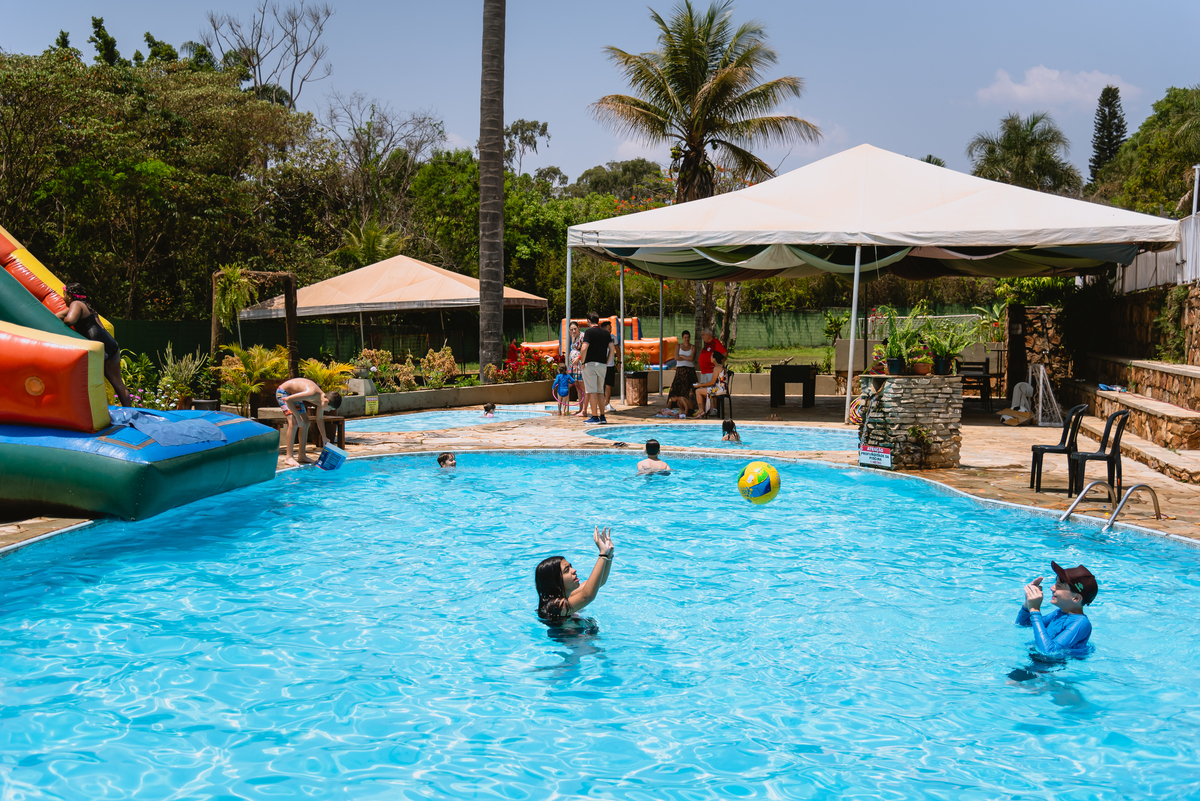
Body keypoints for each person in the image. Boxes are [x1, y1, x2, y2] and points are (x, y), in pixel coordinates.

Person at [55, 283, 133, 407]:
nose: (63, 298)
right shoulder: (83, 306)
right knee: (117, 382)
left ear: (70, 296)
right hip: (109, 345)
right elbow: (57, 316)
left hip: (101, 347)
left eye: (64, 294)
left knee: (86, 380)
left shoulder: (76, 305)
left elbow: (70, 320)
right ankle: (130, 412)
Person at [1017, 561, 1097, 656]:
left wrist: (1035, 610)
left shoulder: (1081, 623)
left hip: (1049, 667)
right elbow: (1023, 624)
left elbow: (1049, 651)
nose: (1052, 588)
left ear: (1076, 598)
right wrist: (1028, 603)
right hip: (1039, 662)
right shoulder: (1058, 613)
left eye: (1058, 586)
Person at [535, 526, 615, 619]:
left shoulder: (569, 594)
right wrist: (603, 554)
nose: (573, 570)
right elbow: (587, 596)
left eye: (571, 567)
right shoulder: (553, 607)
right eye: (566, 570)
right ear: (555, 582)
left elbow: (599, 582)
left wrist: (608, 556)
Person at [275, 376, 343, 467]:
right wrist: (298, 417)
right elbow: (288, 400)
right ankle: (289, 457)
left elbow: (319, 419)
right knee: (294, 423)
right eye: (330, 408)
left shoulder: (321, 401)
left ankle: (302, 456)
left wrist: (324, 437)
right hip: (283, 393)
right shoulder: (312, 393)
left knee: (306, 422)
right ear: (326, 401)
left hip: (293, 396)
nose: (329, 410)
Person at [576, 312, 614, 424]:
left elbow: (584, 348)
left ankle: (594, 416)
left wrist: (582, 362)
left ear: (588, 320)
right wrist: (606, 361)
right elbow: (612, 349)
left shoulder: (588, 332)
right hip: (602, 365)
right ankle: (602, 416)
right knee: (600, 391)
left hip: (590, 364)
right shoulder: (606, 333)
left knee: (591, 391)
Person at [667, 330, 698, 411]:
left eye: (688, 337)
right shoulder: (678, 346)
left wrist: (682, 356)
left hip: (690, 371)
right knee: (674, 388)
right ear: (682, 338)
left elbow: (691, 358)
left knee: (691, 389)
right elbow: (676, 357)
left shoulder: (693, 347)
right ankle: (669, 406)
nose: (686, 339)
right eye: (685, 337)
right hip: (680, 370)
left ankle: (692, 406)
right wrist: (686, 357)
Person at [694, 351, 728, 418]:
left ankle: (701, 411)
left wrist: (700, 385)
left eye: (711, 356)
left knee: (698, 391)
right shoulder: (722, 366)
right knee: (702, 391)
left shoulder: (716, 368)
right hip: (723, 389)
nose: (710, 357)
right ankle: (704, 411)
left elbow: (712, 382)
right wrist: (702, 385)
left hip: (719, 390)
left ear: (714, 359)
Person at [601, 319, 618, 412]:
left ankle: (607, 403)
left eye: (610, 328)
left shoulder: (613, 337)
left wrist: (619, 362)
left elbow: (617, 349)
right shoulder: (599, 338)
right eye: (608, 328)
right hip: (600, 364)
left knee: (608, 385)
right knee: (599, 384)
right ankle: (599, 403)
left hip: (610, 365)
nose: (610, 330)